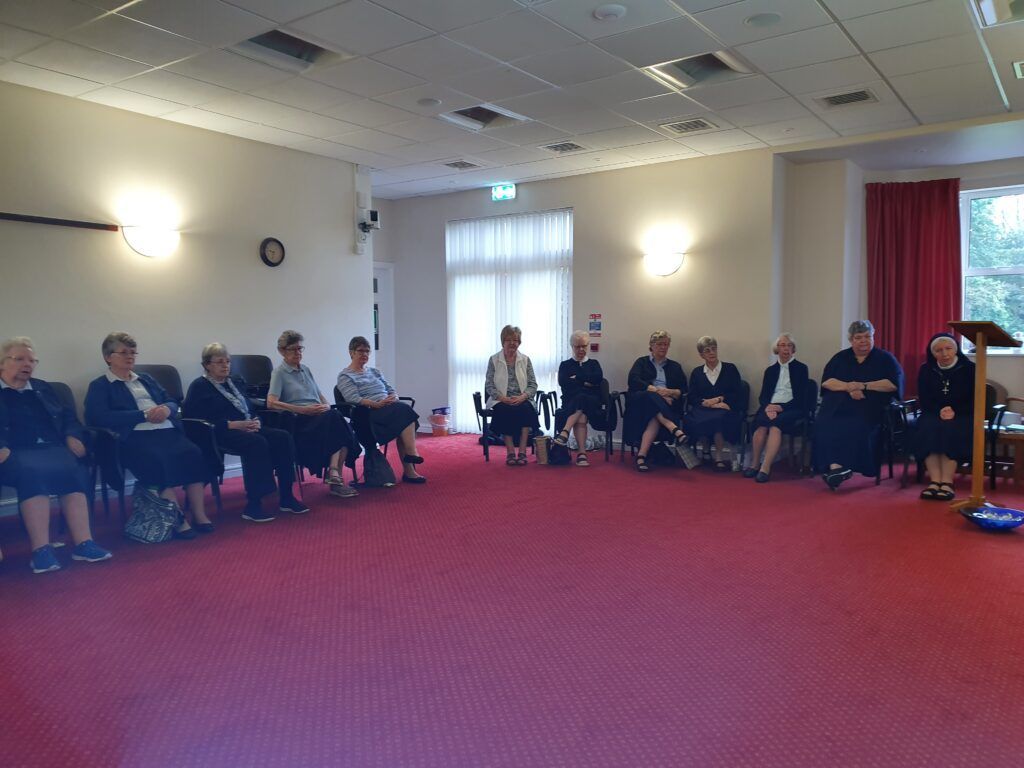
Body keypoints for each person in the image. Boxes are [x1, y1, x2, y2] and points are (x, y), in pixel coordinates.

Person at [0, 337, 112, 574]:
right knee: (33, 474)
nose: (27, 364)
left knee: (73, 469)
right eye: (19, 359)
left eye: (32, 360)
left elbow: (68, 417)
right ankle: (41, 550)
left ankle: (84, 543)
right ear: (2, 363)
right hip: (14, 452)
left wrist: (73, 435)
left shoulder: (42, 388)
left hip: (51, 448)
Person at [85, 332, 212, 537]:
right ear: (108, 357)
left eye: (133, 352)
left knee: (193, 454)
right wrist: (141, 415)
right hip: (134, 437)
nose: (130, 356)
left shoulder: (146, 379)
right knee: (156, 461)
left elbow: (170, 400)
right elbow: (97, 417)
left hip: (166, 431)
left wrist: (167, 410)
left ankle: (199, 514)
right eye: (124, 352)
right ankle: (178, 519)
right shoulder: (100, 385)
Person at [184, 343, 310, 522]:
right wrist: (234, 425)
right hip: (221, 432)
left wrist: (256, 420)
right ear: (207, 365)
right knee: (257, 443)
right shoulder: (199, 386)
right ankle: (254, 504)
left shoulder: (234, 381)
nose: (225, 365)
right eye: (220, 362)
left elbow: (249, 406)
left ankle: (287, 496)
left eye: (227, 361)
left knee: (283, 437)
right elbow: (195, 420)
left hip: (247, 426)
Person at [267, 330, 358, 498]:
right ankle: (334, 475)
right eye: (293, 349)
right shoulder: (279, 373)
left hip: (319, 417)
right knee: (338, 422)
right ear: (281, 351)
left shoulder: (306, 370)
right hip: (299, 421)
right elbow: (271, 402)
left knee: (337, 420)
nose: (298, 353)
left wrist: (326, 406)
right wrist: (302, 409)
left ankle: (334, 474)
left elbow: (319, 395)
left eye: (300, 348)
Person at [813, 320, 903, 489]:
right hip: (839, 405)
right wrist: (848, 387)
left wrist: (863, 385)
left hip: (871, 407)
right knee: (825, 423)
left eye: (867, 336)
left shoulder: (885, 358)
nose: (863, 341)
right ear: (851, 340)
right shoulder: (840, 358)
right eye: (859, 337)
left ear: (873, 337)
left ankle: (847, 467)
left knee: (856, 423)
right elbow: (827, 382)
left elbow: (892, 384)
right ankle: (836, 468)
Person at [336, 335, 425, 484]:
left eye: (367, 351)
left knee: (403, 414)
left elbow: (390, 389)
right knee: (404, 412)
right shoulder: (345, 376)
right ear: (351, 352)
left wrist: (393, 397)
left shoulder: (374, 372)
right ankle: (411, 457)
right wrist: (376, 404)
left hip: (388, 408)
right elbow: (353, 398)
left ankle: (410, 468)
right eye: (360, 351)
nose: (364, 354)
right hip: (369, 414)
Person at [915, 333, 975, 501]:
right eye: (939, 350)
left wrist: (955, 410)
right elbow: (924, 397)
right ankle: (934, 481)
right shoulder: (926, 369)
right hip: (933, 412)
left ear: (956, 349)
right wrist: (938, 411)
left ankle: (947, 482)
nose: (945, 354)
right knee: (928, 427)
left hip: (962, 414)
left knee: (951, 429)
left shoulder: (970, 369)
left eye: (948, 349)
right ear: (933, 353)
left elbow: (975, 398)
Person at [744, 333, 811, 483]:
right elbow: (763, 396)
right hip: (770, 407)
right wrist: (769, 407)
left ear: (793, 349)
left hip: (792, 407)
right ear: (777, 349)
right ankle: (754, 464)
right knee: (761, 425)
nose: (786, 348)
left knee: (775, 426)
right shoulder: (770, 371)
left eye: (789, 345)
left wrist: (780, 408)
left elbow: (801, 398)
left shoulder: (801, 369)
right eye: (782, 345)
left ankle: (765, 468)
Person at [624, 330, 692, 473]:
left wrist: (671, 392)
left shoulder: (675, 366)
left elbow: (684, 389)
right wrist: (657, 392)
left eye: (666, 344)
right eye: (660, 344)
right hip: (641, 403)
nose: (663, 347)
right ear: (652, 345)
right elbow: (633, 380)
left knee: (654, 417)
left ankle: (641, 456)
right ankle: (672, 426)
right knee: (650, 395)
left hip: (666, 404)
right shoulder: (641, 362)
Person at [686, 336, 745, 471]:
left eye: (714, 349)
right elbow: (692, 397)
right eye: (707, 350)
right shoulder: (697, 372)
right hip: (704, 407)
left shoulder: (730, 369)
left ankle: (717, 456)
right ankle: (706, 450)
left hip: (725, 407)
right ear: (701, 355)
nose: (711, 353)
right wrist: (710, 404)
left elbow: (737, 393)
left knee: (718, 417)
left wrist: (719, 400)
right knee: (695, 418)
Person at [485, 325, 540, 465]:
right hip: (502, 399)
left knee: (526, 409)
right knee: (504, 410)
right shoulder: (494, 360)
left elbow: (533, 385)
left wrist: (522, 397)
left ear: (519, 342)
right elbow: (489, 386)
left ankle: (522, 452)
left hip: (522, 397)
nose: (512, 343)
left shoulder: (525, 360)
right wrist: (503, 398)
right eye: (508, 339)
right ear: (503, 341)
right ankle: (510, 452)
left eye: (515, 340)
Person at [553, 331, 603, 467]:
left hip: (593, 402)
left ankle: (565, 432)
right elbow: (564, 383)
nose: (581, 349)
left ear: (587, 346)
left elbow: (598, 379)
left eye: (584, 346)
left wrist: (577, 378)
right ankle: (582, 454)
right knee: (581, 411)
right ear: (572, 346)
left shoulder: (594, 363)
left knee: (582, 397)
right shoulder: (565, 365)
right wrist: (586, 382)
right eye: (577, 346)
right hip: (571, 401)